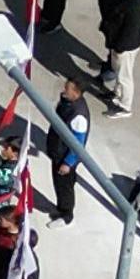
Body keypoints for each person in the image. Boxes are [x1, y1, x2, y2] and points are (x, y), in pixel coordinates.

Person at [102, 0, 140, 116]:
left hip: (125, 46)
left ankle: (125, 106)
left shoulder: (136, 6)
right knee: (118, 70)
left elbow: (131, 30)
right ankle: (117, 93)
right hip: (118, 43)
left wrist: (120, 47)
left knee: (124, 76)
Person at [53, 76, 91, 222]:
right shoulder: (69, 103)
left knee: (64, 187)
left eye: (67, 88)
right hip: (58, 150)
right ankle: (60, 208)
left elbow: (78, 143)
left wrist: (68, 163)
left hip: (64, 156)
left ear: (76, 92)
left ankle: (66, 215)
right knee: (59, 184)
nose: (64, 90)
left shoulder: (79, 115)